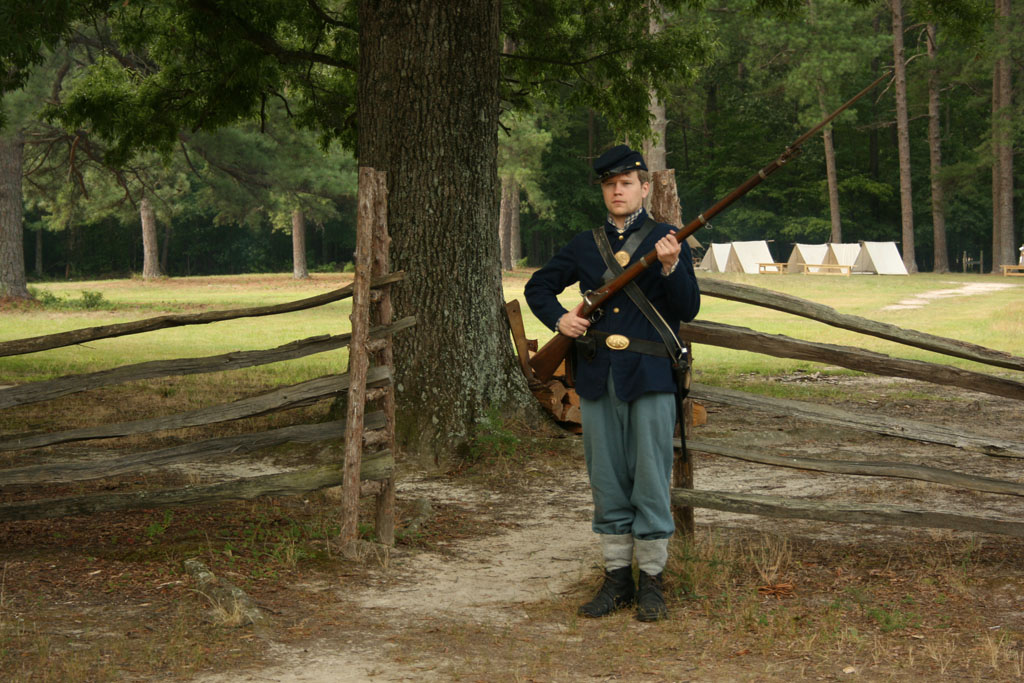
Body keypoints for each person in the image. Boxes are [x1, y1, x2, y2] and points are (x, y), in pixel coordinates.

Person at [524, 145, 700, 622]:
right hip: (599, 378)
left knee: (649, 481)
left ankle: (653, 584)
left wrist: (668, 266)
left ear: (645, 187)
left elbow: (687, 309)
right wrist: (561, 319)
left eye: (626, 182)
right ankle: (617, 579)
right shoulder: (585, 245)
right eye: (609, 184)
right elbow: (537, 286)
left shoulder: (668, 237)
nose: (617, 190)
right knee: (607, 482)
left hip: (651, 377)